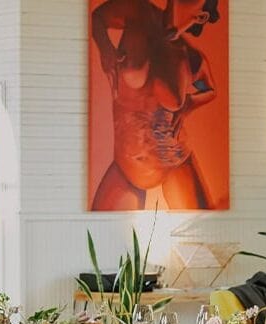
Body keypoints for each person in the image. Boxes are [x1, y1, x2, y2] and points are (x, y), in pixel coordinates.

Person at [90, 0, 223, 210]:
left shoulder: (189, 56)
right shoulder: (137, 11)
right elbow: (96, 18)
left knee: (204, 238)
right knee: (96, 235)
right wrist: (105, 48)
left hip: (174, 162)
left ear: (201, 17)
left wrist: (188, 105)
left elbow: (210, 90)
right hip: (127, 165)